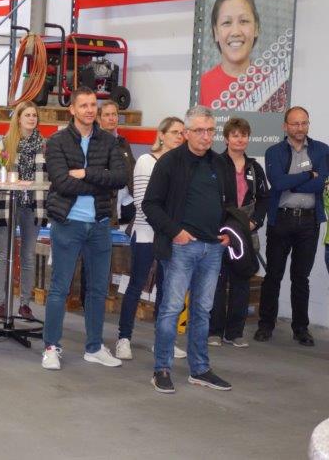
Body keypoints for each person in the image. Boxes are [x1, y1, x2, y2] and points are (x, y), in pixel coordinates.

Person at [143, 106, 232, 394]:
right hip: (181, 247)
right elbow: (150, 205)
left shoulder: (220, 163)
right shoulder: (170, 162)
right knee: (171, 309)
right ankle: (162, 369)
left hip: (213, 249)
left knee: (203, 311)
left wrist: (228, 232)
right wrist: (175, 232)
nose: (206, 136)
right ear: (187, 133)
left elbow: (230, 205)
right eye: (200, 131)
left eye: (211, 131)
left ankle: (200, 369)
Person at [42, 86, 127, 371]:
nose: (90, 110)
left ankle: (94, 347)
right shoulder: (57, 142)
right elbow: (62, 183)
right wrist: (100, 181)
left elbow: (120, 177)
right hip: (68, 223)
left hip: (100, 225)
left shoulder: (109, 141)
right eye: (84, 105)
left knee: (98, 290)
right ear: (73, 109)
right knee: (59, 288)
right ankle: (51, 347)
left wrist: (86, 173)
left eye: (93, 105)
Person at [254, 106, 328, 347]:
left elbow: (320, 184)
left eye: (304, 123)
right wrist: (307, 175)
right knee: (273, 275)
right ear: (285, 126)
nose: (300, 128)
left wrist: (292, 184)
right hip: (281, 220)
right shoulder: (274, 151)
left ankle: (301, 328)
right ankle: (266, 325)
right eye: (295, 123)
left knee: (301, 277)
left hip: (309, 221)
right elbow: (277, 183)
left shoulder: (322, 150)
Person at [114, 116, 185, 361]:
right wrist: (168, 227)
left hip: (170, 236)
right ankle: (124, 339)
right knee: (136, 285)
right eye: (175, 132)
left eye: (182, 133)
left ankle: (163, 342)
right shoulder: (146, 161)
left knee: (166, 289)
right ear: (161, 135)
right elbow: (143, 203)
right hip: (146, 233)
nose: (179, 137)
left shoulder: (181, 164)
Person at [207, 117, 268, 348]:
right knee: (218, 281)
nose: (239, 139)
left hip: (246, 232)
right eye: (235, 135)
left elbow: (264, 199)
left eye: (243, 135)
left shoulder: (254, 168)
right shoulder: (215, 164)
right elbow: (208, 197)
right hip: (221, 232)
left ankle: (235, 332)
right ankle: (214, 331)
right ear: (226, 139)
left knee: (241, 281)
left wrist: (254, 221)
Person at [0, 101, 47, 320]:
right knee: (2, 255)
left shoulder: (44, 145)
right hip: (7, 204)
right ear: (18, 119)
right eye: (27, 115)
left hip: (32, 206)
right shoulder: (4, 144)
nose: (32, 119)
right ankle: (0, 304)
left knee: (28, 255)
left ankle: (25, 304)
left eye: (34, 115)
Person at [199, 0, 260, 109]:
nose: (235, 32)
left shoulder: (273, 82)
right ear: (216, 32)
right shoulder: (201, 87)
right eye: (227, 22)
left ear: (256, 28)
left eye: (244, 21)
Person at [97, 100, 136, 224]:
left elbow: (132, 171)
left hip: (125, 205)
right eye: (107, 115)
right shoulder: (94, 144)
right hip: (103, 207)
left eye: (114, 114)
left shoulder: (123, 143)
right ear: (99, 119)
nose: (111, 118)